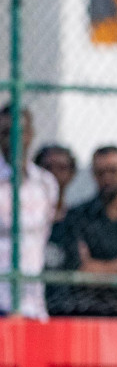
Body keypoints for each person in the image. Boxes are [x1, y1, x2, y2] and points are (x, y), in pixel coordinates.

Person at [47, 145, 117, 317]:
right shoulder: (78, 215)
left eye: (113, 171)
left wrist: (99, 267)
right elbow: (81, 269)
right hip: (82, 310)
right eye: (100, 172)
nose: (107, 178)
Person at [0, 106, 60, 319]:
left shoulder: (46, 184)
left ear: (31, 134)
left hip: (33, 303)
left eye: (20, 132)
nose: (13, 140)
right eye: (6, 133)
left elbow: (45, 230)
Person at [33, 143, 75, 222]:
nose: (54, 173)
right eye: (48, 167)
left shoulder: (77, 216)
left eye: (62, 168)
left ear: (72, 174)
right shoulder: (27, 213)